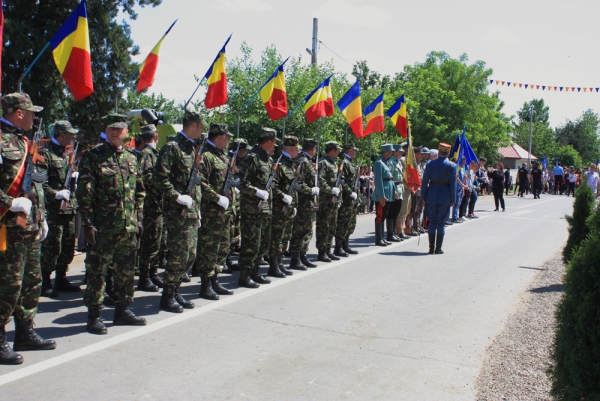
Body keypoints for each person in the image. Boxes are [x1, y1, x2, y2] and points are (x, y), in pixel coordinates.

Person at [77, 113, 147, 334]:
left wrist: (139, 218)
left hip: (128, 226)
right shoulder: (93, 156)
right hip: (103, 228)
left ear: (127, 132)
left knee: (126, 271)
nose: (115, 132)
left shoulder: (132, 158)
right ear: (105, 131)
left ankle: (122, 310)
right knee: (98, 271)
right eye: (111, 128)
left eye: (120, 129)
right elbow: (84, 193)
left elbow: (139, 192)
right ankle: (94, 315)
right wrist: (88, 224)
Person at [0, 93, 55, 364]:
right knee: (8, 285)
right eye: (30, 112)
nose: (34, 117)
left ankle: (25, 332)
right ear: (18, 112)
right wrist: (9, 203)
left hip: (30, 226)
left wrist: (41, 215)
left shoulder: (26, 142)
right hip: (8, 227)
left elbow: (36, 184)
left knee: (32, 282)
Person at [153, 110, 204, 313]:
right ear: (193, 125)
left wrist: (197, 208)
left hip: (191, 211)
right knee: (178, 255)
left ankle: (175, 291)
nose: (202, 131)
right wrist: (176, 196)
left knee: (190, 254)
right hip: (177, 212)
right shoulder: (172, 148)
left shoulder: (191, 150)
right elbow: (159, 178)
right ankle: (167, 296)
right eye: (201, 127)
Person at [39, 120, 80, 298]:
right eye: (70, 134)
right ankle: (45, 280)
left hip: (68, 209)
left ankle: (61, 278)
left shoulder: (66, 155)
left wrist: (74, 180)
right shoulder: (45, 155)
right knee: (52, 247)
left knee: (68, 245)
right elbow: (40, 183)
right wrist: (55, 194)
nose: (73, 136)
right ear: (61, 135)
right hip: (54, 210)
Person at [195, 123, 235, 300]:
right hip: (212, 212)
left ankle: (215, 279)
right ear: (219, 137)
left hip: (224, 212)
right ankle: (205, 284)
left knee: (223, 247)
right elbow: (200, 182)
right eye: (227, 137)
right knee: (209, 249)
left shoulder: (223, 157)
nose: (228, 141)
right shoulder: (207, 157)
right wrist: (216, 197)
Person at [237, 127, 278, 286]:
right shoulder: (251, 157)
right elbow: (240, 182)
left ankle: (255, 272)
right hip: (252, 209)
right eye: (274, 143)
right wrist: (256, 192)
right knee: (250, 243)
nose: (275, 146)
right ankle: (245, 275)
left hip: (265, 208)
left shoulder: (267, 159)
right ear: (268, 142)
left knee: (263, 242)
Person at [268, 135, 301, 277]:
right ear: (292, 148)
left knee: (286, 236)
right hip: (279, 208)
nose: (298, 152)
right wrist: (283, 197)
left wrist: (293, 204)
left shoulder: (291, 164)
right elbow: (272, 186)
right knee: (277, 237)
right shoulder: (279, 164)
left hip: (289, 208)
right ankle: (273, 265)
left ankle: (280, 262)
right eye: (297, 149)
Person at [136, 124, 164, 292]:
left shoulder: (153, 154)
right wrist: (161, 182)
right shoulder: (147, 155)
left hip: (156, 205)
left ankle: (153, 273)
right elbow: (144, 178)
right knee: (149, 243)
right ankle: (145, 277)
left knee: (156, 241)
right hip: (150, 206)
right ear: (156, 136)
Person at [288, 138, 320, 270]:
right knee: (300, 231)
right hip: (303, 203)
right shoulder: (303, 162)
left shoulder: (306, 161)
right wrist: (310, 190)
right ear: (313, 149)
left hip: (308, 203)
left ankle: (302, 255)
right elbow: (298, 183)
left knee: (307, 231)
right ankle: (296, 258)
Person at [421, 143, 457, 254]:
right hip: (445, 196)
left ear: (439, 151)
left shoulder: (430, 164)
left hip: (431, 195)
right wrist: (453, 199)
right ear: (449, 153)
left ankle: (431, 248)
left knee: (432, 222)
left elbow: (425, 181)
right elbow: (453, 185)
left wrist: (423, 195)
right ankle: (438, 248)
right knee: (441, 223)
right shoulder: (452, 166)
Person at [316, 141, 342, 262]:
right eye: (337, 150)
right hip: (325, 201)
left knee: (332, 226)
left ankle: (328, 249)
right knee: (324, 227)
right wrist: (330, 190)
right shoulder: (323, 163)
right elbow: (320, 181)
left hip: (334, 201)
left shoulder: (334, 163)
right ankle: (321, 252)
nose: (338, 152)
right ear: (332, 150)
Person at [334, 143, 360, 256]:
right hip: (346, 199)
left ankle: (346, 245)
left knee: (350, 223)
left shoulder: (351, 163)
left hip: (352, 199)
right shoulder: (343, 163)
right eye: (354, 150)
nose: (355, 152)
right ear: (349, 150)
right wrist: (350, 193)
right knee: (343, 223)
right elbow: (342, 181)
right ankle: (338, 247)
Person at [372, 144, 395, 246]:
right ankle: (378, 238)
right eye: (390, 151)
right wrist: (381, 195)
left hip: (388, 193)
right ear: (386, 151)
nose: (391, 153)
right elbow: (378, 180)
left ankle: (382, 237)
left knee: (384, 216)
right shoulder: (378, 163)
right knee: (380, 216)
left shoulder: (386, 162)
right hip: (382, 194)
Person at [388, 144, 405, 241]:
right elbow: (391, 178)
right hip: (394, 188)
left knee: (396, 212)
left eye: (402, 152)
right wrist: (394, 190)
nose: (401, 153)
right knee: (392, 212)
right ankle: (390, 233)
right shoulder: (391, 162)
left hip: (400, 188)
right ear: (394, 152)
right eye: (400, 152)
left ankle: (394, 232)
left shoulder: (398, 162)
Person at [451, 156, 468, 223]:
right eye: (462, 161)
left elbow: (462, 177)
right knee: (455, 203)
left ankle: (456, 216)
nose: (464, 162)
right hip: (456, 187)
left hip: (460, 188)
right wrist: (463, 185)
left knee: (458, 203)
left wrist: (465, 177)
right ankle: (454, 217)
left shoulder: (462, 168)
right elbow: (457, 179)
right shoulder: (457, 168)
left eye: (464, 161)